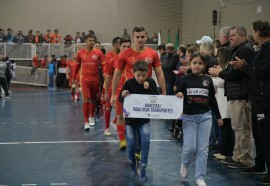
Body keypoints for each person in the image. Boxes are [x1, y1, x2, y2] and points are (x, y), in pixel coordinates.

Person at [110, 26, 166, 149]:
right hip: (129, 95)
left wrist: (164, 93)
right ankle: (128, 144)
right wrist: (114, 94)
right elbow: (117, 74)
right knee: (128, 122)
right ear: (133, 38)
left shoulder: (152, 54)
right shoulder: (124, 54)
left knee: (143, 125)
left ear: (146, 37)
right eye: (137, 37)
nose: (140, 39)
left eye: (142, 37)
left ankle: (139, 150)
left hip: (146, 96)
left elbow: (159, 73)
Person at [229, 20, 270, 184]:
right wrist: (246, 66)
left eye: (254, 31)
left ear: (258, 32)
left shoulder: (268, 49)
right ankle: (259, 163)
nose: (254, 35)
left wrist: (244, 67)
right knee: (259, 135)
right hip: (257, 98)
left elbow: (261, 72)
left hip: (264, 99)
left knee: (266, 135)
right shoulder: (262, 49)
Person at [209, 26, 254, 169]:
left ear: (242, 36)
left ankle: (244, 159)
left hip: (241, 94)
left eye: (233, 35)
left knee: (243, 129)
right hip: (236, 94)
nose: (230, 38)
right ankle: (237, 156)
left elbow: (236, 74)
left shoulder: (245, 50)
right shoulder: (239, 50)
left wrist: (219, 73)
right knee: (238, 128)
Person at [176, 52, 222, 186]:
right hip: (189, 117)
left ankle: (200, 178)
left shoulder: (208, 79)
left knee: (203, 148)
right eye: (194, 63)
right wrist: (179, 94)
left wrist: (218, 117)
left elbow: (212, 99)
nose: (197, 66)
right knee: (190, 147)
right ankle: (185, 163)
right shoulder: (184, 79)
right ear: (190, 64)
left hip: (205, 117)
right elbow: (177, 95)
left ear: (204, 65)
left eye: (200, 63)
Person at [119, 60, 159, 182]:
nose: (141, 78)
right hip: (131, 121)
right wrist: (123, 95)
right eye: (138, 75)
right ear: (133, 73)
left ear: (148, 73)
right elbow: (121, 99)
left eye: (144, 75)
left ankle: (143, 167)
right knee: (131, 145)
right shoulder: (129, 83)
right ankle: (132, 164)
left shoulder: (150, 82)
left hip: (144, 119)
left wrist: (149, 89)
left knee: (146, 143)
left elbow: (157, 98)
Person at [73, 34, 105, 131]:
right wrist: (74, 78)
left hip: (96, 80)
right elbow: (77, 66)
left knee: (94, 100)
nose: (92, 42)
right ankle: (86, 121)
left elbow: (104, 65)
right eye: (90, 40)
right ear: (86, 41)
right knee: (86, 100)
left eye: (93, 40)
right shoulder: (80, 53)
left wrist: (104, 73)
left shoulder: (99, 53)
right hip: (85, 80)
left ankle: (91, 116)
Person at [105, 37, 131, 148]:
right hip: (119, 93)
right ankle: (122, 140)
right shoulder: (112, 60)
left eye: (128, 46)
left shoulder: (134, 59)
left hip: (132, 94)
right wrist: (108, 93)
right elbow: (108, 77)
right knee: (120, 117)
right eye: (123, 46)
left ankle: (128, 136)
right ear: (119, 47)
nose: (126, 48)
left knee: (130, 118)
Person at [103, 37, 121, 136]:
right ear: (114, 44)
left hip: (122, 86)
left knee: (122, 108)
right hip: (110, 86)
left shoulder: (123, 56)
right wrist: (105, 90)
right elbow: (108, 74)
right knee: (108, 107)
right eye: (120, 44)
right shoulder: (109, 56)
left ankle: (115, 122)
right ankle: (106, 128)